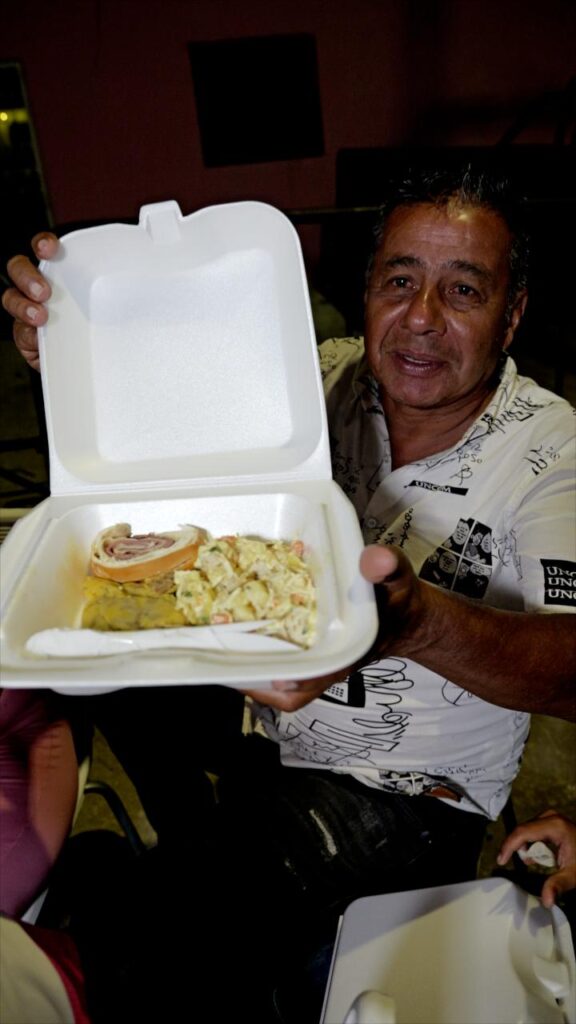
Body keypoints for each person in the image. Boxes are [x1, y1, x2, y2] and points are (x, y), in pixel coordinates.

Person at [3, 165, 576, 1021]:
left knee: (176, 940)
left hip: (405, 787)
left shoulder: (552, 450)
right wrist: (85, 351)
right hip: (261, 718)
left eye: (463, 289)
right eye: (399, 281)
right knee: (94, 674)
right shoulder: (322, 376)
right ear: (367, 290)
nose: (422, 318)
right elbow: (176, 409)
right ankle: (202, 831)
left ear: (513, 312)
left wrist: (412, 624)